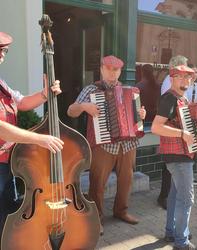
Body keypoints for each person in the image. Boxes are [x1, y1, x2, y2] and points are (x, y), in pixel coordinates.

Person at [67, 55, 146, 227]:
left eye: (115, 70)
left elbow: (137, 118)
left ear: (120, 71)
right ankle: (97, 218)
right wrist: (83, 107)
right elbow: (70, 111)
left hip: (128, 144)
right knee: (97, 183)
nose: (112, 73)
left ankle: (121, 211)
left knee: (126, 180)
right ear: (101, 69)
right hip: (103, 145)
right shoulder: (91, 90)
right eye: (108, 69)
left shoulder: (130, 91)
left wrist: (141, 116)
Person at [0, 31, 64, 240]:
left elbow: (22, 102)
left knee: (7, 212)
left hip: (6, 163)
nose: (3, 54)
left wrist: (45, 93)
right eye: (0, 50)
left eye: (5, 51)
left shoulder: (1, 83)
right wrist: (40, 138)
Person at [151, 60, 197, 250]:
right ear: (172, 78)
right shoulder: (169, 98)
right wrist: (182, 134)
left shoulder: (183, 98)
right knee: (186, 199)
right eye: (180, 76)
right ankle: (182, 241)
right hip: (177, 157)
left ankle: (171, 232)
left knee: (174, 196)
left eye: (188, 76)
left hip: (182, 155)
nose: (185, 79)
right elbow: (156, 127)